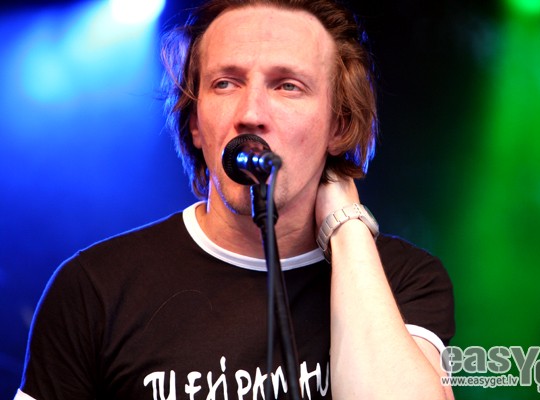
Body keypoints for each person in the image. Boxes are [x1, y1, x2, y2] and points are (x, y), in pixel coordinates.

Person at [15, 0, 455, 399]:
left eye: (287, 86)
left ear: (338, 126)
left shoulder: (402, 279)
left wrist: (346, 224)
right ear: (195, 123)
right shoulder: (93, 289)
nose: (251, 114)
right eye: (225, 83)